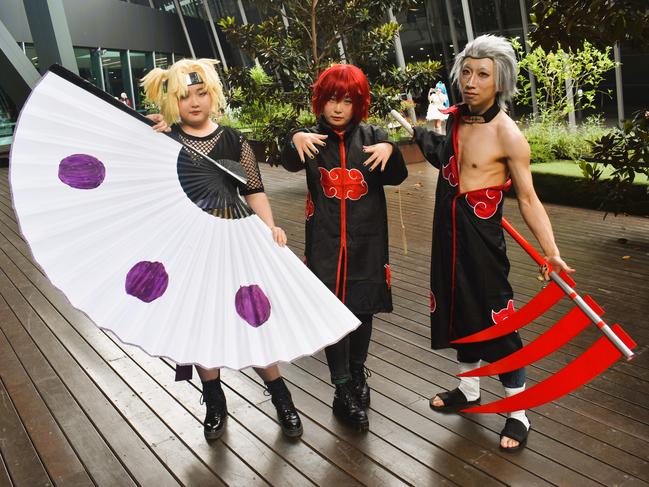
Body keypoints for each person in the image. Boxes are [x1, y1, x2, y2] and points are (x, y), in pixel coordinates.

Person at [412, 35, 574, 452]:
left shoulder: (509, 135)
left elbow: (528, 198)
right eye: (466, 71)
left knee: (497, 321)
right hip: (446, 233)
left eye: (482, 74)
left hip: (482, 239)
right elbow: (443, 156)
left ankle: (519, 413)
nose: (471, 81)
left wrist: (551, 250)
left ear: (500, 81)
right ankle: (468, 391)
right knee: (456, 310)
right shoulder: (454, 119)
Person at [141, 58, 303, 441]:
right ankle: (215, 402)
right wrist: (149, 140)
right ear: (172, 102)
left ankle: (282, 398)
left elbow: (254, 190)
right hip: (189, 244)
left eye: (201, 93)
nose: (194, 102)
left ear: (213, 94)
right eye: (184, 96)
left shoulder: (234, 140)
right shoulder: (167, 141)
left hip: (235, 240)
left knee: (253, 316)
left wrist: (270, 227)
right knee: (200, 323)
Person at [280, 64, 408, 431]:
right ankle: (341, 390)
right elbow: (289, 161)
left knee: (363, 308)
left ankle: (356, 374)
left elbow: (397, 176)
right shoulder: (310, 139)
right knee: (330, 313)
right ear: (320, 101)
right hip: (325, 242)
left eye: (347, 101)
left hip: (368, 241)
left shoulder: (372, 136)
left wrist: (390, 148)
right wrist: (294, 140)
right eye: (331, 99)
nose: (338, 108)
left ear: (359, 104)